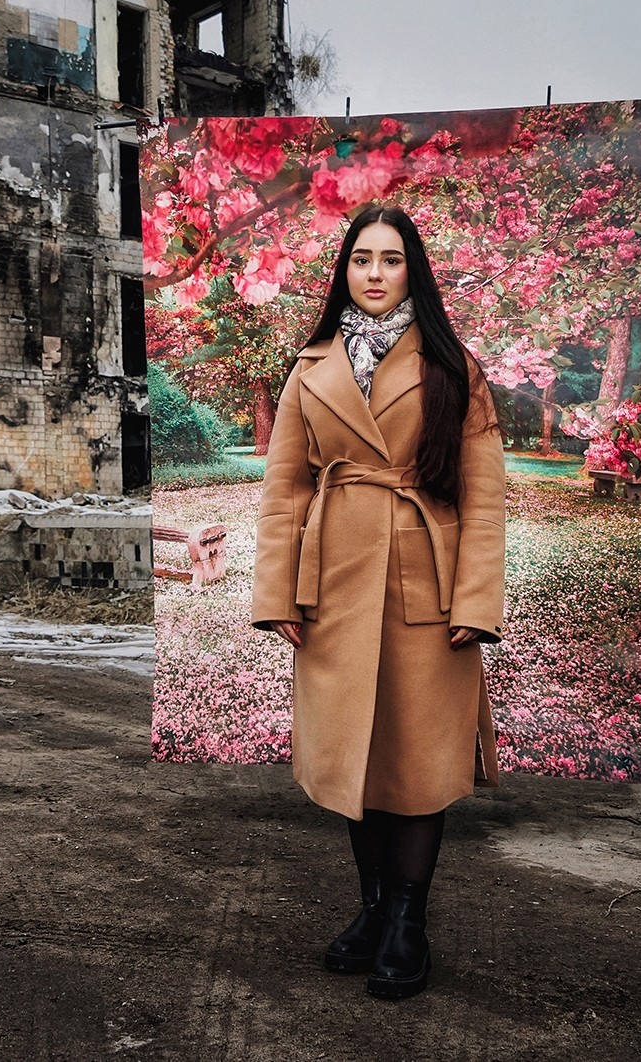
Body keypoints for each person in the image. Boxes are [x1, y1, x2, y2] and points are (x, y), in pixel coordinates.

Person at [249, 203, 507, 1000]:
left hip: (425, 581)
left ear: (412, 270)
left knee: (418, 758)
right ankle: (371, 909)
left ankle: (407, 921)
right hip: (332, 583)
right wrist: (278, 593)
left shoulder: (452, 366)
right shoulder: (311, 366)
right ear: (345, 269)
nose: (374, 273)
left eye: (391, 259)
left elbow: (485, 497)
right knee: (351, 756)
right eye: (362, 258)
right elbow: (284, 490)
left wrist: (476, 601)